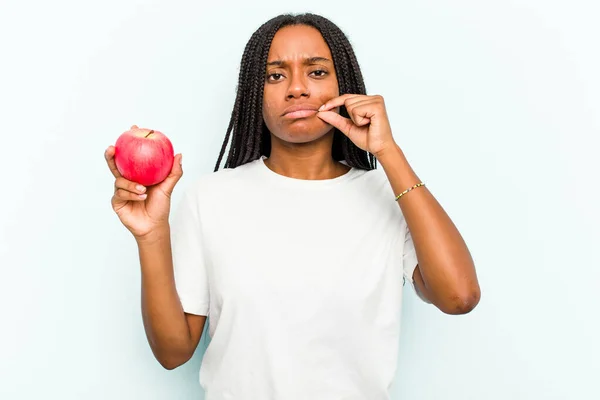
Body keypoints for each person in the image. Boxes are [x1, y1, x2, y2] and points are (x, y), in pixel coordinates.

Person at [104, 12, 480, 400]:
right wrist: (150, 236)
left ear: (344, 86)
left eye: (316, 72)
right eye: (275, 75)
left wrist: (388, 152)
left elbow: (459, 297)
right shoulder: (211, 198)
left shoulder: (388, 194)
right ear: (254, 93)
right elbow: (172, 352)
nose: (297, 88)